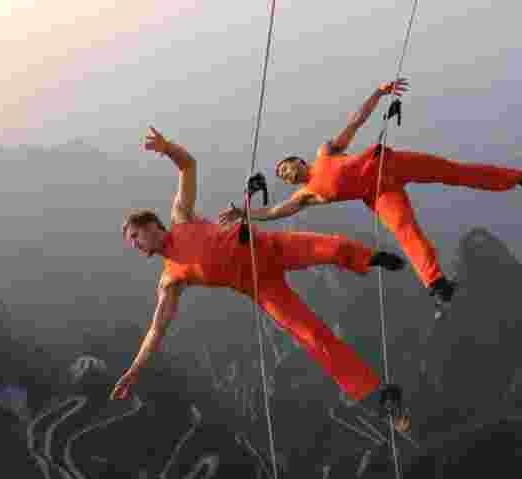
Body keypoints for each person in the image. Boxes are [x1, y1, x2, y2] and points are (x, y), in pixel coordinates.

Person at [111, 126, 410, 431]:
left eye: (135, 236)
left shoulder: (180, 218)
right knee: (312, 335)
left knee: (328, 247)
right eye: (131, 242)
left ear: (151, 224)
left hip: (267, 247)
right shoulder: (169, 280)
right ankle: (376, 393)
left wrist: (166, 147)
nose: (135, 245)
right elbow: (157, 329)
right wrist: (135, 370)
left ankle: (371, 257)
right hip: (261, 287)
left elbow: (188, 165)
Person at [218, 78, 522, 315]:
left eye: (286, 166)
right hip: (381, 192)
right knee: (405, 230)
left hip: (392, 162)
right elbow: (275, 212)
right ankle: (436, 283)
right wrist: (244, 214)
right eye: (281, 175)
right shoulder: (307, 194)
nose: (285, 173)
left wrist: (378, 92)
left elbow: (355, 122)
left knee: (457, 172)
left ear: (298, 160)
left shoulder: (326, 152)